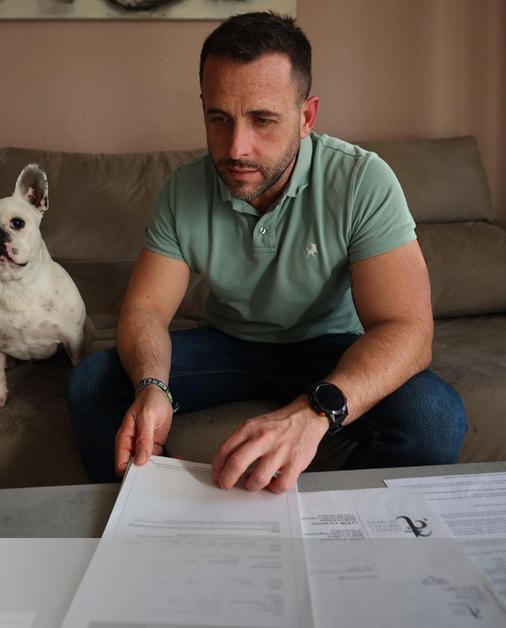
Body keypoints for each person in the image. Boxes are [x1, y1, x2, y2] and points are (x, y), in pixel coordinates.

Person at [66, 11, 466, 492]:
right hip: (227, 344)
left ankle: (324, 515)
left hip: (328, 346)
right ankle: (162, 505)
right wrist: (152, 385)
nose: (237, 148)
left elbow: (408, 330)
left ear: (306, 117)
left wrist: (316, 410)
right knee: (93, 381)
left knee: (435, 419)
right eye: (219, 119)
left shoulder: (363, 180)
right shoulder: (183, 190)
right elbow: (146, 310)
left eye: (262, 120)